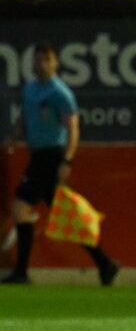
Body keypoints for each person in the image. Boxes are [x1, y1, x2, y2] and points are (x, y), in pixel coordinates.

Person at [2, 43, 119, 285]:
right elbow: (26, 118)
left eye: (46, 60)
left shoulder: (60, 92)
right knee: (65, 215)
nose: (41, 64)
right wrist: (13, 137)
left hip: (51, 157)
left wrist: (67, 159)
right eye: (37, 60)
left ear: (56, 63)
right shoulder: (30, 89)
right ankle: (105, 263)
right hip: (38, 155)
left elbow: (72, 128)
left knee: (20, 207)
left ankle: (21, 272)